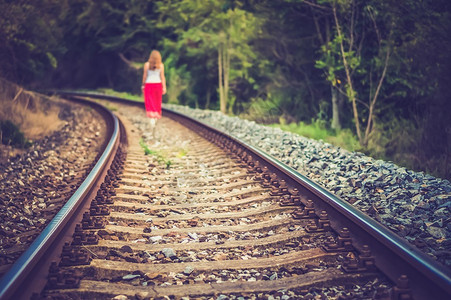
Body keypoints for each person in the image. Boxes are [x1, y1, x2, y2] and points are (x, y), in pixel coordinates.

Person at [142, 50, 166, 138]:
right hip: (158, 85)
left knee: (149, 103)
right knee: (156, 103)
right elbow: (162, 77)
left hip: (149, 85)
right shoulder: (161, 65)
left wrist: (143, 85)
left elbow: (145, 76)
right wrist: (164, 87)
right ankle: (155, 119)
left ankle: (151, 120)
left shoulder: (147, 65)